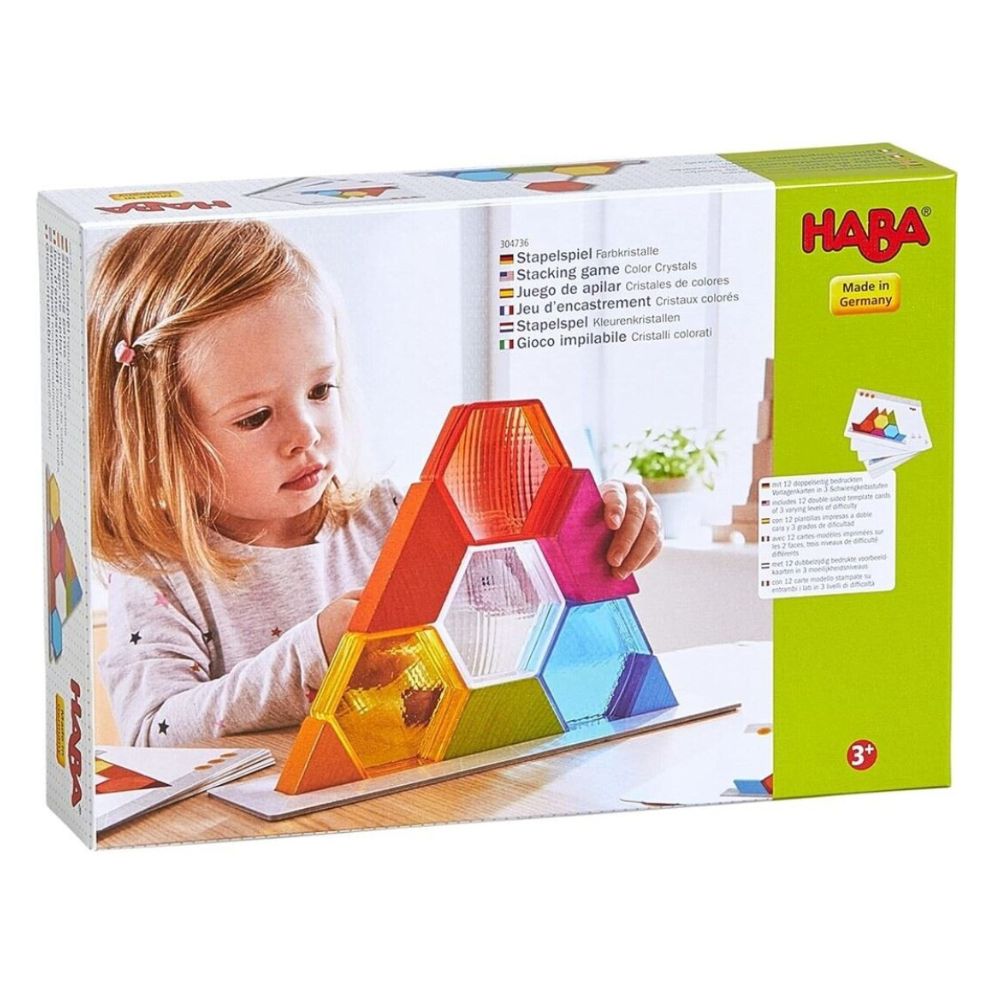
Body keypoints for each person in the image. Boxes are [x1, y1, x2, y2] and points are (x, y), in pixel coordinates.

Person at [89, 220, 663, 747]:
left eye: (320, 390)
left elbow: (507, 612)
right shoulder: (156, 573)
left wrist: (587, 534)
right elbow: (153, 735)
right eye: (256, 417)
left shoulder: (385, 515)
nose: (307, 434)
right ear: (156, 437)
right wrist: (315, 654)